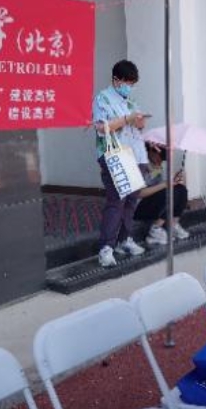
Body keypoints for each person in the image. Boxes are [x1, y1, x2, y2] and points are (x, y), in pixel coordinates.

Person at [92, 59, 150, 268]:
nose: (129, 87)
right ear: (116, 80)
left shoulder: (130, 101)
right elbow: (101, 127)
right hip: (115, 154)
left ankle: (124, 240)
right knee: (117, 201)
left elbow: (138, 125)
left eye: (132, 84)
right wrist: (127, 119)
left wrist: (140, 122)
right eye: (127, 83)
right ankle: (105, 248)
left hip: (136, 154)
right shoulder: (102, 98)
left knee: (132, 200)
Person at [134, 143, 190, 245]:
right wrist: (166, 184)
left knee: (180, 189)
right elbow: (138, 194)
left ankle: (173, 225)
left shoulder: (160, 165)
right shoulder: (140, 164)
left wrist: (178, 178)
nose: (160, 161)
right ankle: (155, 231)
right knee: (171, 191)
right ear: (151, 151)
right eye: (159, 157)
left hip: (155, 204)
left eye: (163, 159)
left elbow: (168, 188)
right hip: (138, 207)